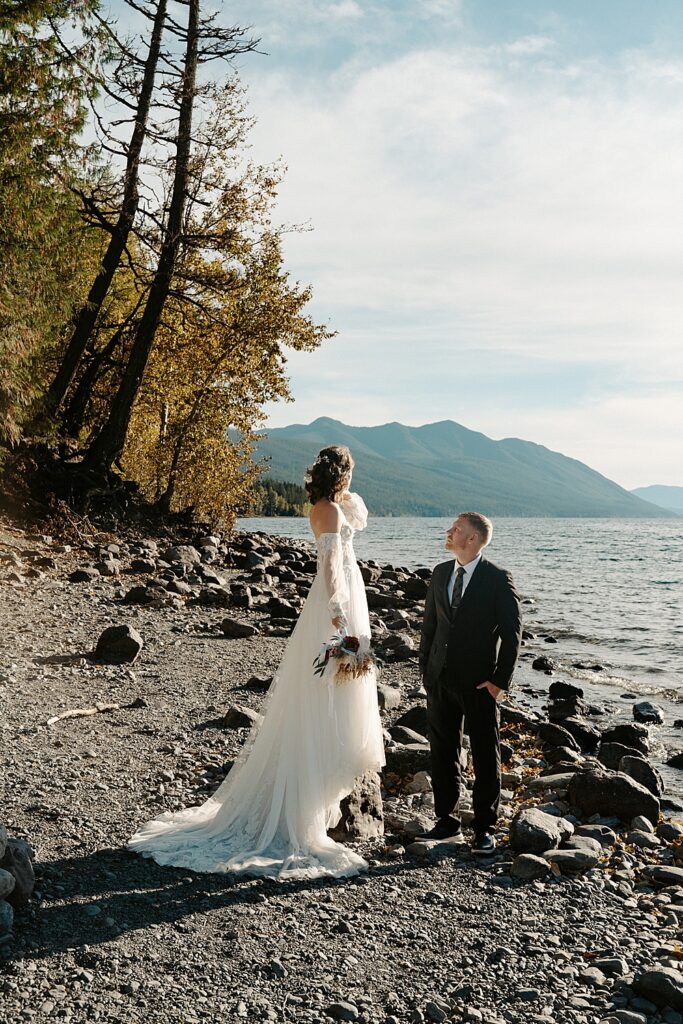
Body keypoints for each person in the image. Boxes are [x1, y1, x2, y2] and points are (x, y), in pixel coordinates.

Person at [129, 445, 384, 879]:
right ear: (342, 474)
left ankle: (319, 792)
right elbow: (330, 570)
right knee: (323, 690)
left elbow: (354, 519)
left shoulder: (331, 507)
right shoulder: (328, 512)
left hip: (339, 603)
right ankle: (301, 803)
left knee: (332, 689)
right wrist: (341, 621)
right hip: (333, 607)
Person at [418, 512, 521, 854]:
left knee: (485, 754)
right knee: (443, 752)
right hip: (440, 680)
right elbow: (430, 627)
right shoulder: (441, 573)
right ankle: (447, 823)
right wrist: (426, 672)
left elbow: (512, 635)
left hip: (479, 684)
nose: (449, 532)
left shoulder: (497, 579)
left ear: (473, 539)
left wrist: (498, 682)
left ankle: (484, 828)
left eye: (457, 529)